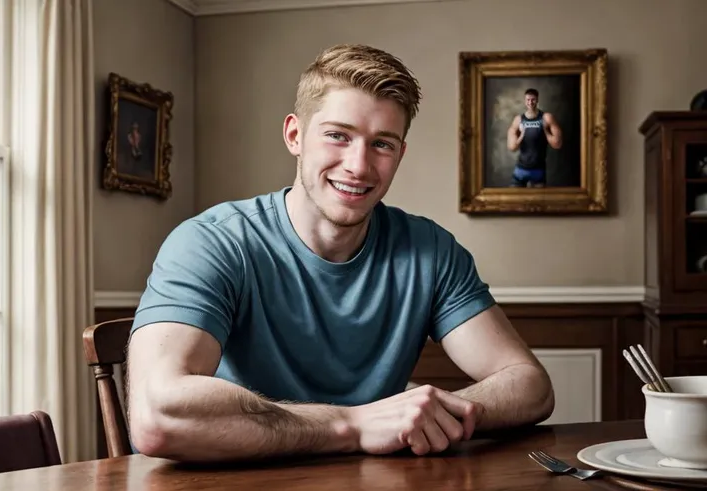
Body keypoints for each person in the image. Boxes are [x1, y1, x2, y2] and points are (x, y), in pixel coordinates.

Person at [126, 44, 555, 463]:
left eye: (382, 144)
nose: (359, 165)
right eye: (337, 136)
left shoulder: (431, 251)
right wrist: (352, 425)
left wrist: (432, 413)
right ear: (295, 135)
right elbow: (156, 415)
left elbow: (530, 385)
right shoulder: (211, 243)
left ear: (400, 154)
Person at [506, 88, 562, 187]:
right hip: (521, 169)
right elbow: (512, 147)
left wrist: (545, 131)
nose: (530, 102)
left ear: (537, 100)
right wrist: (522, 135)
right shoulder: (518, 120)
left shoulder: (546, 118)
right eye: (528, 100)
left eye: (533, 99)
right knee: (514, 201)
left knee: (538, 202)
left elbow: (557, 144)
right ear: (525, 101)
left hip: (538, 170)